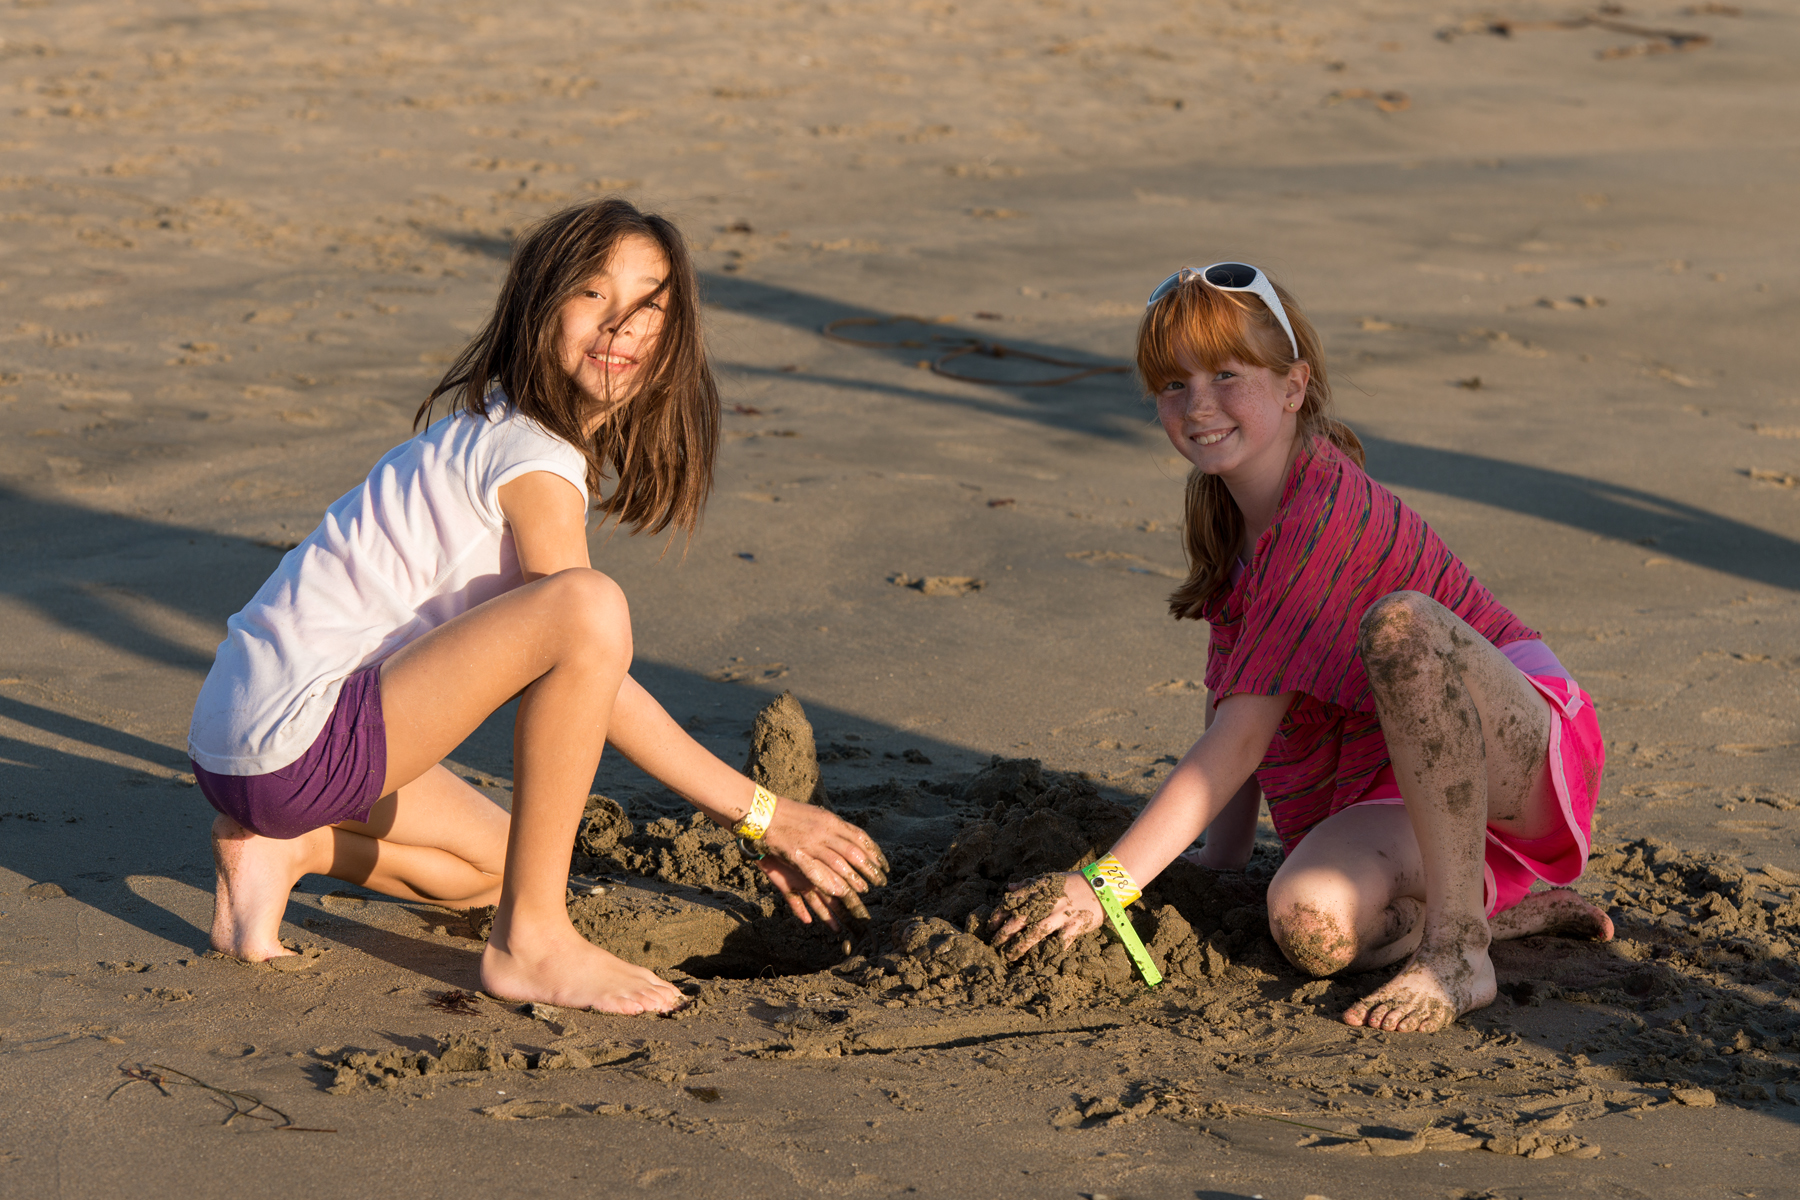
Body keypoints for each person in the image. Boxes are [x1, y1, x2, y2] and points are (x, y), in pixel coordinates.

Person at [188, 198, 887, 1015]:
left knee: (498, 864)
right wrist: (762, 815)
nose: (621, 323)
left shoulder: (491, 429)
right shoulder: (534, 460)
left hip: (238, 744)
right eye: (593, 292)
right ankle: (533, 941)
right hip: (299, 742)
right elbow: (592, 659)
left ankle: (287, 849)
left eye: (650, 304)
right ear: (538, 306)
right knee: (587, 608)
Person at [992, 263, 1611, 1032]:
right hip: (1395, 779)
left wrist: (1106, 887)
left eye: (1226, 374)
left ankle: (1458, 951)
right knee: (1309, 923)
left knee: (1402, 627)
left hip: (1518, 748)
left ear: (1294, 385)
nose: (1198, 404)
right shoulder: (1228, 513)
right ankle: (1501, 910)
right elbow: (1232, 694)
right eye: (1174, 384)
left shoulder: (1323, 513)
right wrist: (1221, 865)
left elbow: (1241, 738)